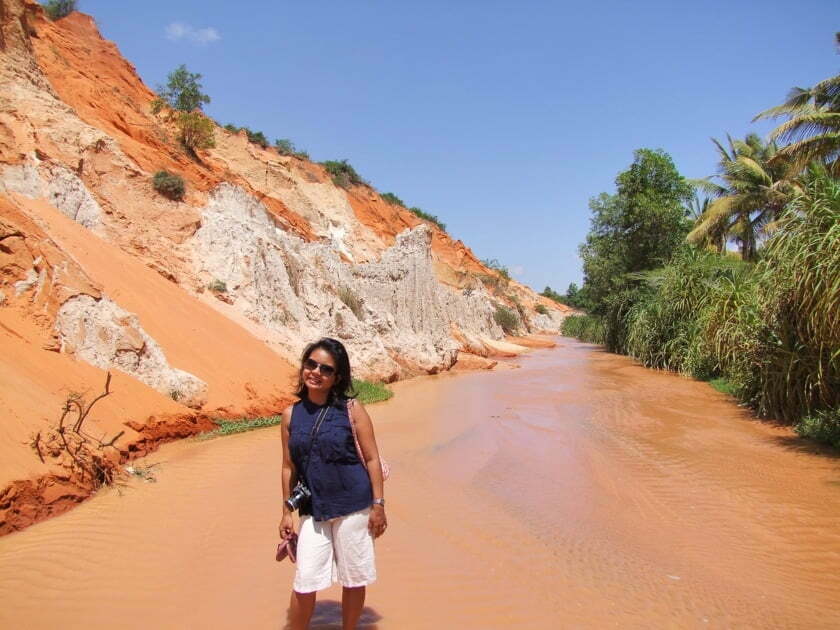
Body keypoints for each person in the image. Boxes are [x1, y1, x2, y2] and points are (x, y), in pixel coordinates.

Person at [279, 338, 387, 630]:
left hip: (354, 506)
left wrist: (378, 505)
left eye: (325, 369)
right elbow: (288, 466)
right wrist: (287, 511)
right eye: (310, 364)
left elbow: (373, 459)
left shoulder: (352, 409)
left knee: (353, 577)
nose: (315, 372)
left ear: (337, 377)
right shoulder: (290, 414)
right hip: (314, 509)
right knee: (305, 579)